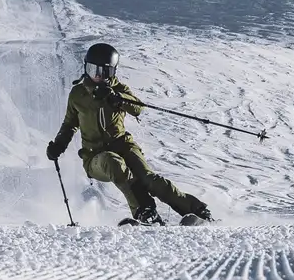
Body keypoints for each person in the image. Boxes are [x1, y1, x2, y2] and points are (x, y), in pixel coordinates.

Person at [46, 42, 212, 224]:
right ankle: (145, 211)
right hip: (94, 157)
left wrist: (118, 99)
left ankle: (196, 211)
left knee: (149, 179)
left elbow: (137, 108)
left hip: (124, 146)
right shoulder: (78, 94)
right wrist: (59, 145)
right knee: (113, 162)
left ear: (112, 72)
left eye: (103, 71)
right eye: (93, 70)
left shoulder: (118, 90)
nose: (97, 75)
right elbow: (70, 124)